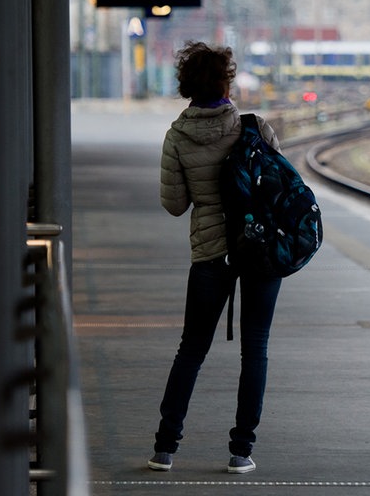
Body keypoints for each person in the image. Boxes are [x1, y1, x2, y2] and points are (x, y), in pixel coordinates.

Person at [148, 41, 283, 474]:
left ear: (187, 85)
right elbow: (280, 186)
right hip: (259, 248)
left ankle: (164, 449)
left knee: (191, 349)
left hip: (211, 252)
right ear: (227, 80)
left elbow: (174, 205)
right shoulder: (253, 125)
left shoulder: (177, 136)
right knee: (255, 349)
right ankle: (241, 451)